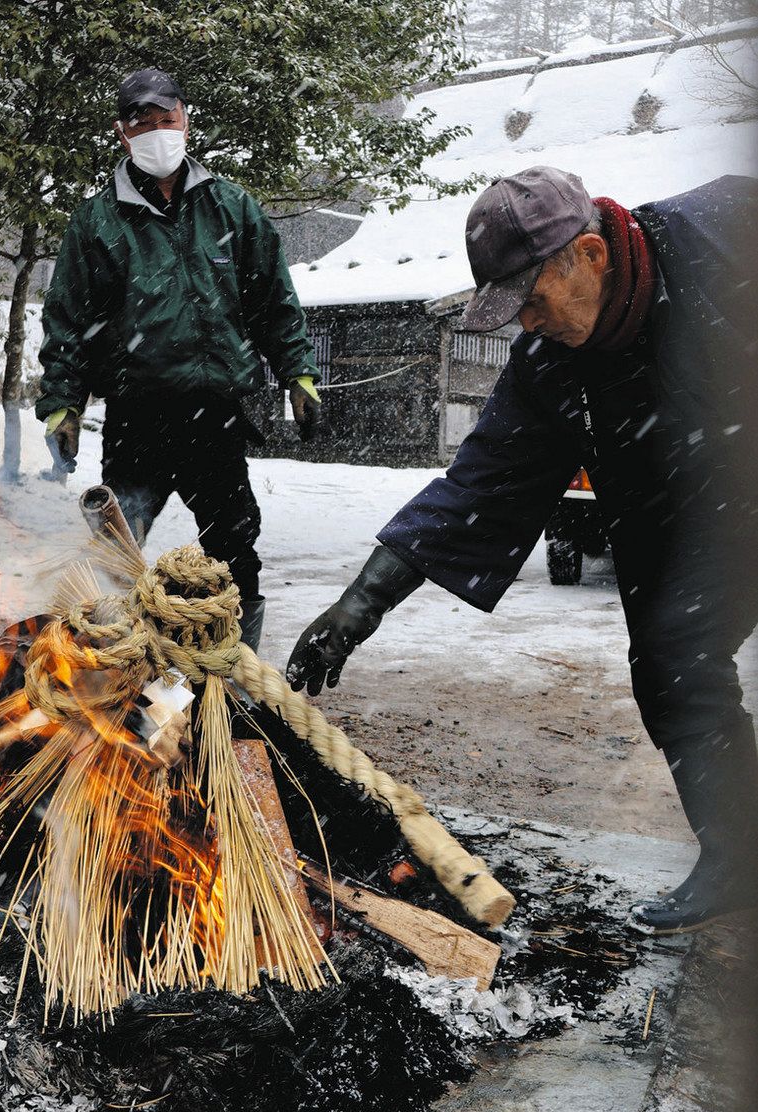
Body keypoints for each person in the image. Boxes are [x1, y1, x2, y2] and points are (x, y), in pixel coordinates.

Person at [286, 165, 758, 935]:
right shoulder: (551, 364)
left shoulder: (726, 231)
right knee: (672, 662)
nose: (527, 325)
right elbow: (478, 485)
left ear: (588, 256)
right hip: (679, 513)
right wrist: (359, 602)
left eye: (532, 301)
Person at [37, 67, 321, 650]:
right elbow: (68, 321)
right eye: (142, 123)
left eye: (165, 120)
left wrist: (299, 373)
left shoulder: (231, 209)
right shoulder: (97, 221)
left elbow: (273, 300)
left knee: (235, 545)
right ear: (122, 134)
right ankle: (109, 674)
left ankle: (234, 674)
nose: (156, 132)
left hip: (213, 412)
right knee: (116, 553)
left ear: (185, 120)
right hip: (136, 415)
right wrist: (62, 404)